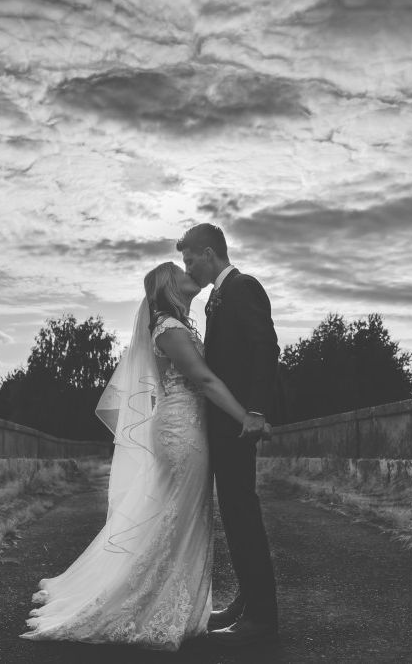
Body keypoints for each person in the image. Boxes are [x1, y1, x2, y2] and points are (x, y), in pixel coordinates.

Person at [20, 260, 270, 651]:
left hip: (187, 427)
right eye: (183, 273)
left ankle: (173, 603)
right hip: (181, 430)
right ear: (170, 286)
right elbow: (203, 380)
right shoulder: (169, 329)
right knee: (179, 517)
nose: (190, 275)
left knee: (181, 516)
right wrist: (246, 416)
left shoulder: (180, 325)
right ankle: (143, 604)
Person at [178, 222, 279, 646]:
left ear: (208, 253)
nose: (188, 270)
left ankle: (261, 618)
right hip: (224, 426)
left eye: (189, 260)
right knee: (236, 517)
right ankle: (248, 602)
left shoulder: (243, 288)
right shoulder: (217, 299)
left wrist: (255, 411)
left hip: (238, 426)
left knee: (243, 516)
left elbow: (265, 348)